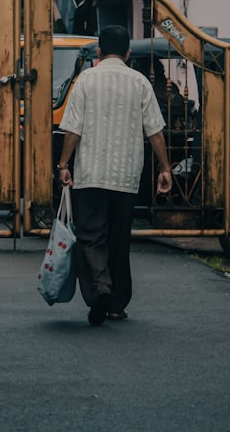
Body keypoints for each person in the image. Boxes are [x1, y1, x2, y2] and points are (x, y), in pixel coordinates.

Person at [57, 25, 173, 325]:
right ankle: (117, 304)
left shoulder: (86, 80)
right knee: (119, 239)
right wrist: (164, 168)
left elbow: (73, 129)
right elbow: (155, 131)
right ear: (128, 53)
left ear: (98, 51)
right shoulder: (139, 83)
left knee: (92, 237)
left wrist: (64, 164)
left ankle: (100, 290)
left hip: (91, 174)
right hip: (126, 176)